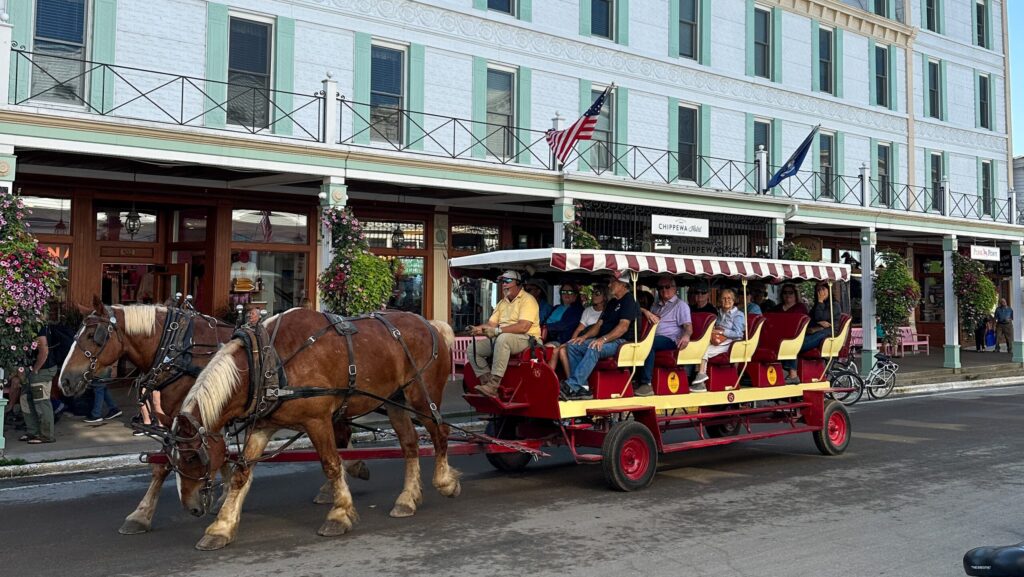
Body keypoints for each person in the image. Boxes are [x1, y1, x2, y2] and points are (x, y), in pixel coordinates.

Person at [561, 271, 641, 400]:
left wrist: (603, 339)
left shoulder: (629, 301)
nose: (609, 285)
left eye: (612, 282)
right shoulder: (612, 303)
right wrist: (584, 337)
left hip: (622, 342)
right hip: (607, 340)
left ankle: (572, 385)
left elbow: (623, 327)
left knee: (595, 347)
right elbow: (599, 325)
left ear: (623, 284)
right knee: (573, 345)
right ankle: (583, 388)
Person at [470, 270, 541, 398]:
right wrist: (477, 329)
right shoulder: (502, 303)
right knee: (473, 348)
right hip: (505, 338)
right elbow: (491, 325)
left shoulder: (528, 300)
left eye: (507, 281)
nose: (504, 284)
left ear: (518, 283)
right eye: (502, 281)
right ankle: (487, 383)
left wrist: (497, 331)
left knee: (502, 339)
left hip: (528, 339)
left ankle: (493, 385)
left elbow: (523, 327)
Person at [636, 275, 693, 396]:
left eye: (667, 287)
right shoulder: (655, 305)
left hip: (670, 339)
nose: (664, 290)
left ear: (674, 288)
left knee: (649, 343)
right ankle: (635, 379)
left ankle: (646, 383)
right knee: (636, 342)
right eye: (660, 287)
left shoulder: (680, 305)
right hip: (653, 337)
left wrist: (687, 336)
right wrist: (645, 311)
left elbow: (688, 326)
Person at [783, 283, 840, 384]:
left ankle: (793, 375)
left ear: (829, 290)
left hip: (828, 333)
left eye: (823, 289)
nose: (821, 292)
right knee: (791, 342)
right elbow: (811, 319)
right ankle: (791, 372)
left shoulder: (834, 305)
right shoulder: (817, 305)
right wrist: (817, 324)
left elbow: (820, 317)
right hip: (817, 330)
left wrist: (821, 301)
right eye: (819, 290)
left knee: (796, 345)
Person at [691, 289, 746, 391]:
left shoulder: (738, 315)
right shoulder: (720, 313)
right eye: (724, 298)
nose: (726, 300)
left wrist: (722, 331)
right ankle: (700, 380)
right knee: (700, 347)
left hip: (732, 343)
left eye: (729, 298)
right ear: (720, 300)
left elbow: (739, 333)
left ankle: (701, 377)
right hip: (719, 340)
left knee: (704, 351)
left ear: (734, 300)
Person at [550, 285, 607, 376]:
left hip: (597, 340)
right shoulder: (588, 311)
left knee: (565, 349)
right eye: (593, 293)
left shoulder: (607, 311)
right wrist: (571, 342)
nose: (594, 296)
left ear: (605, 296)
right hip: (583, 339)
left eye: (597, 293)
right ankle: (569, 380)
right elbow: (579, 329)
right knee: (561, 350)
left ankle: (572, 383)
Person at [17, 324, 58, 443]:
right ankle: (33, 431)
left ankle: (46, 435)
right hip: (32, 369)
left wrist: (35, 369)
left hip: (42, 369)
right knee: (25, 399)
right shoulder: (30, 324)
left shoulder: (39, 327)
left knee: (41, 402)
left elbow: (44, 352)